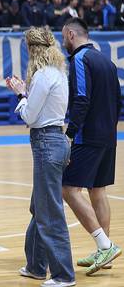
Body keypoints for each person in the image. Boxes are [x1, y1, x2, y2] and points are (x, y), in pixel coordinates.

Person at [6, 27, 75, 287]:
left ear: (32, 49)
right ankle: (36, 266)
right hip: (55, 140)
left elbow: (29, 116)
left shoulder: (44, 75)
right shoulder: (59, 72)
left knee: (50, 214)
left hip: (46, 142)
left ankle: (64, 275)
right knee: (40, 207)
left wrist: (21, 94)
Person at [61, 18, 122, 275]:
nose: (64, 41)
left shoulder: (79, 59)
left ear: (71, 34)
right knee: (98, 191)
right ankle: (104, 252)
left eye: (64, 36)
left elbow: (82, 98)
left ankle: (104, 244)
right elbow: (118, 99)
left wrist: (70, 133)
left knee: (68, 189)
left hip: (88, 136)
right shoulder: (106, 61)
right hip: (109, 135)